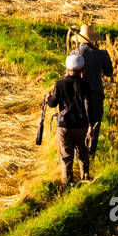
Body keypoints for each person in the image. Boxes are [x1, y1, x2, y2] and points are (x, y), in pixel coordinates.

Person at [45, 52, 94, 189]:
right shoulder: (85, 84)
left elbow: (52, 104)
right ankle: (86, 180)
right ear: (82, 69)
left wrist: (48, 96)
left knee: (66, 157)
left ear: (67, 68)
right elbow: (88, 105)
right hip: (81, 125)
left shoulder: (60, 84)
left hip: (64, 125)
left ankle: (67, 185)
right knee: (83, 154)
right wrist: (90, 125)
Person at [68, 22, 113, 160]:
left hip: (78, 93)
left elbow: (68, 75)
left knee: (79, 124)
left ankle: (78, 155)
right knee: (94, 123)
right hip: (95, 93)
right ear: (93, 39)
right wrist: (104, 58)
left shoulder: (74, 53)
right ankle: (90, 154)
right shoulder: (101, 54)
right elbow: (109, 73)